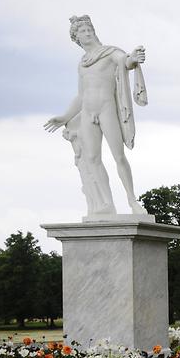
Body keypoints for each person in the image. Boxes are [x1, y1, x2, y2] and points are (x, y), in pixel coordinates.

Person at [44, 15, 149, 216]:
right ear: (77, 39)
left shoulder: (109, 52)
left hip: (106, 108)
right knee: (91, 158)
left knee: (119, 156)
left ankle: (132, 200)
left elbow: (124, 61)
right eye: (82, 31)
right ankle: (105, 205)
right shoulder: (82, 63)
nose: (88, 32)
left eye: (89, 28)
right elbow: (81, 96)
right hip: (88, 113)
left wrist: (133, 59)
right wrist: (65, 117)